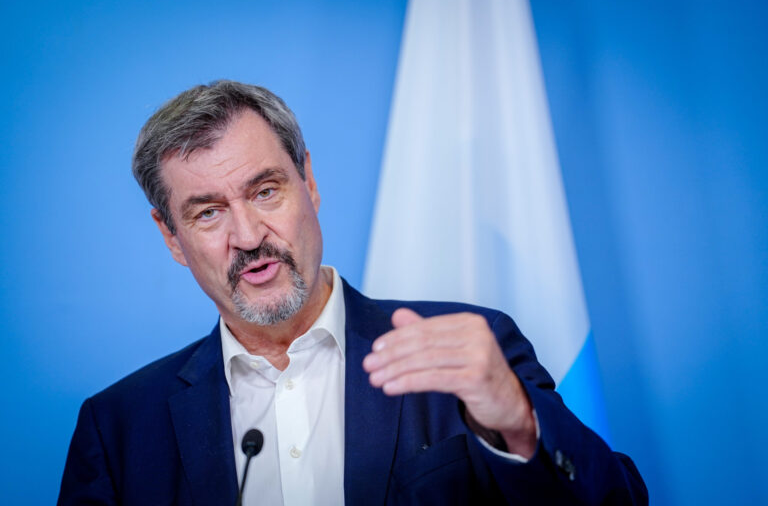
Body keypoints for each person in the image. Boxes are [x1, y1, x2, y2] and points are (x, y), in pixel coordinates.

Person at [58, 80, 647, 505]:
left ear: (309, 182)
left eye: (265, 191)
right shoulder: (118, 428)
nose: (249, 237)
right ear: (172, 237)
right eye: (208, 212)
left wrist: (518, 422)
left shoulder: (469, 352)